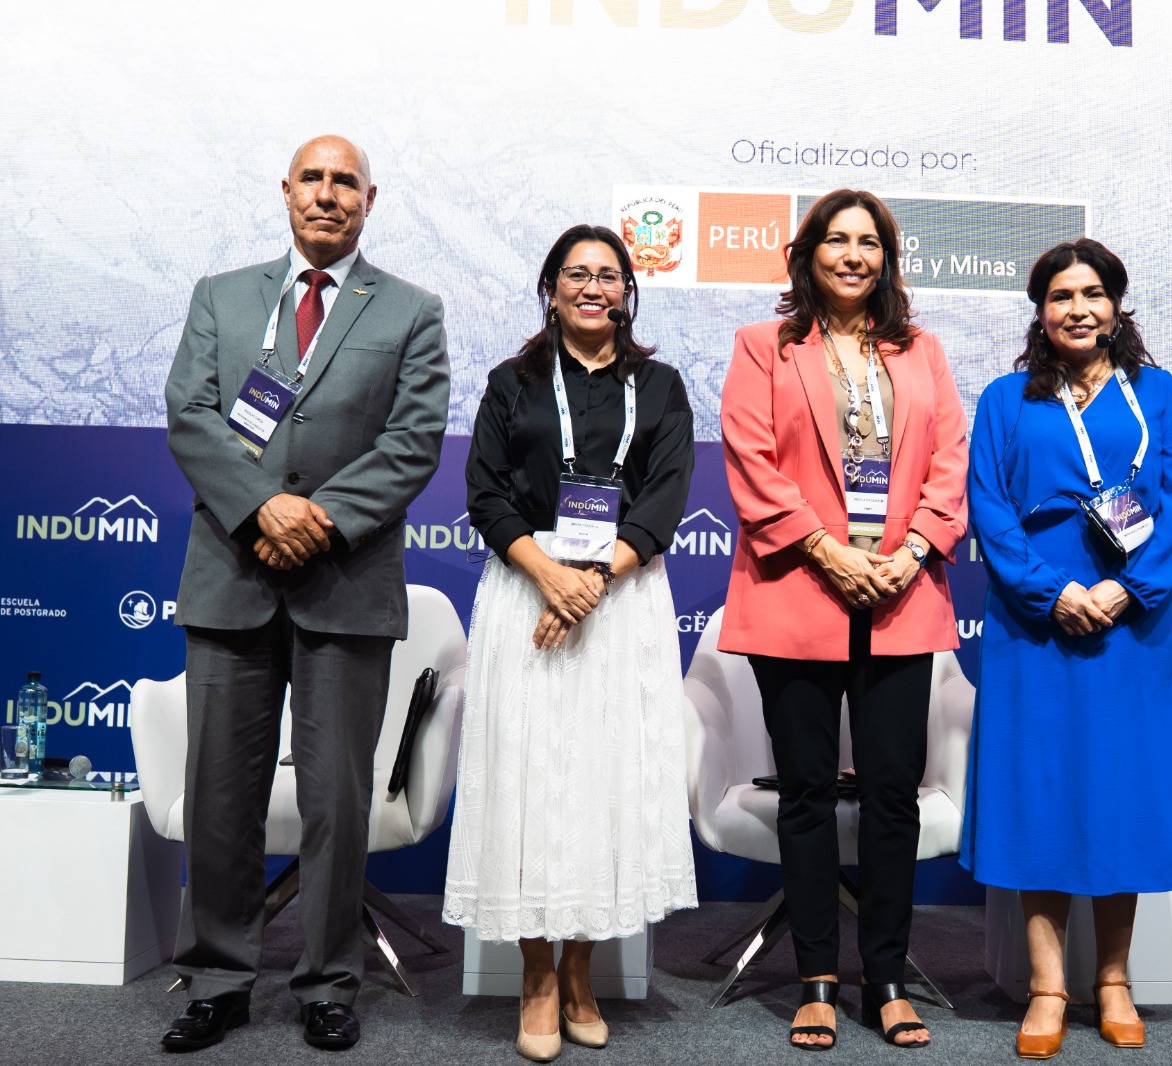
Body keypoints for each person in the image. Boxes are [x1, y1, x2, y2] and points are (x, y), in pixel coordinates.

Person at [161, 135, 450, 1051]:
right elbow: (190, 414)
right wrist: (262, 508)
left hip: (345, 581)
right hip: (232, 576)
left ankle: (329, 982)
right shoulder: (222, 295)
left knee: (336, 801)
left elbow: (413, 440)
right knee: (220, 795)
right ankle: (217, 979)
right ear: (286, 191)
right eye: (313, 179)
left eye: (345, 183)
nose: (328, 195)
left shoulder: (412, 310)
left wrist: (317, 519)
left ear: (371, 198)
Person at [719, 189, 968, 1051]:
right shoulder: (764, 346)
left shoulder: (922, 351)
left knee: (894, 795)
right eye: (837, 239)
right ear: (808, 253)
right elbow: (751, 461)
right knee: (807, 794)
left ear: (887, 259)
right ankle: (817, 979)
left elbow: (950, 462)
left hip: (901, 594)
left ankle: (887, 978)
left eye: (870, 242)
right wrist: (826, 551)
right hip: (797, 588)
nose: (853, 254)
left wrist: (912, 552)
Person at [442, 224, 698, 1062]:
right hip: (528, 591)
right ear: (550, 290)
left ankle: (582, 969)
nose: (594, 287)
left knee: (602, 780)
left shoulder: (660, 386)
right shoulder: (511, 383)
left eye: (609, 275)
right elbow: (485, 494)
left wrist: (591, 582)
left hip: (621, 599)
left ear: (629, 293)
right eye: (577, 274)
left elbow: (664, 498)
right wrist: (552, 577)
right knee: (525, 779)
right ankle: (537, 977)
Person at [959, 239, 1172, 1059]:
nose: (1078, 308)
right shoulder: (1005, 399)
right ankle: (1046, 988)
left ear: (1116, 305)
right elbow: (989, 508)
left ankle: (1113, 980)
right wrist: (1052, 592)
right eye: (1061, 295)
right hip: (1035, 623)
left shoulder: (1156, 392)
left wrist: (1127, 590)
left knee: (1119, 796)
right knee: (1041, 796)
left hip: (1131, 623)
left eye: (1093, 293)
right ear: (1040, 311)